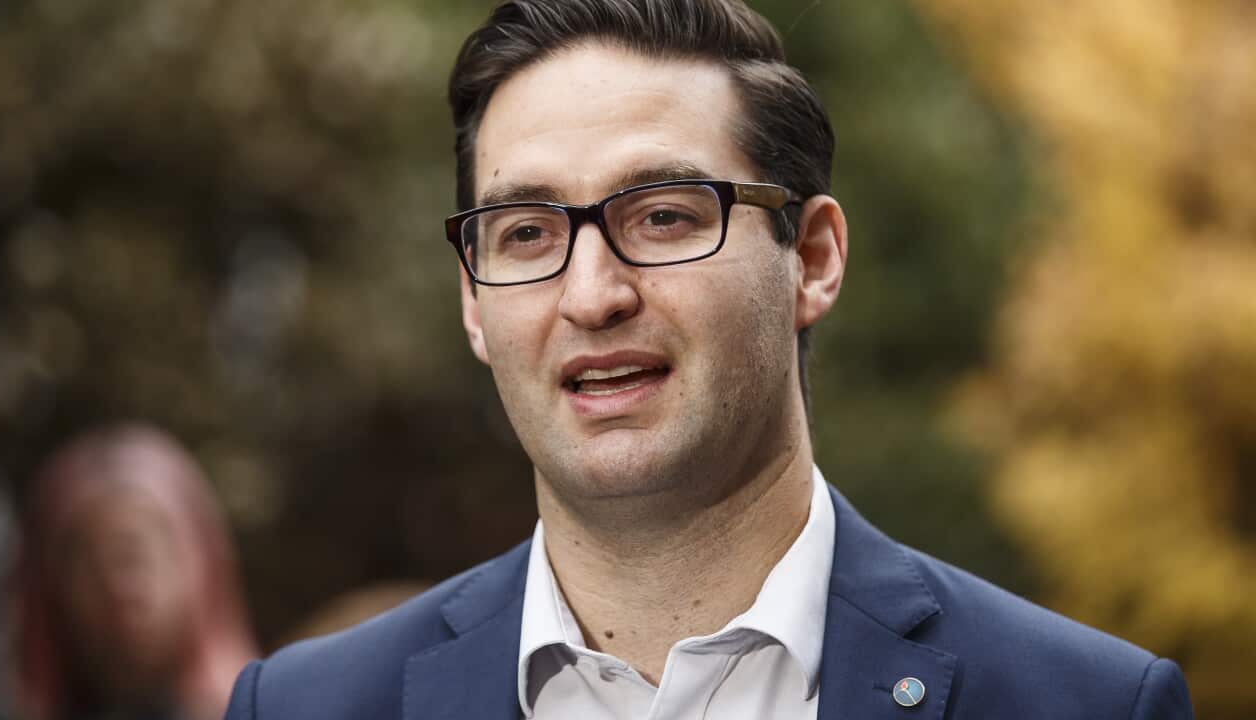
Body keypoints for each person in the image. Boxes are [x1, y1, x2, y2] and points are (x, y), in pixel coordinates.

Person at [225, 1, 1194, 718]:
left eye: (661, 217)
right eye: (524, 232)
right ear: (472, 301)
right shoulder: (307, 706)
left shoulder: (1084, 703)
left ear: (811, 260)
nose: (592, 294)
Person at [15, 424, 257, 720]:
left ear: (201, 564)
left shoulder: (277, 707)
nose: (119, 585)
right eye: (91, 562)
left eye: (137, 554)